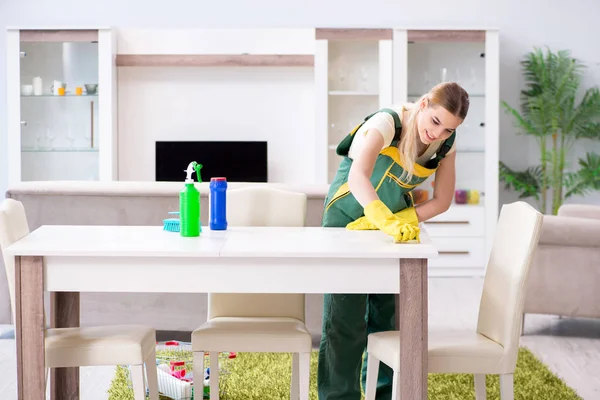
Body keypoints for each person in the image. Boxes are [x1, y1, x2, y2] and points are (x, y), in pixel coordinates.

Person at [318, 81, 470, 400]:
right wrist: (379, 216)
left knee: (385, 317)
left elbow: (442, 200)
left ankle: (382, 394)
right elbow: (358, 175)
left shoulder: (446, 143)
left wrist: (401, 220)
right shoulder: (387, 123)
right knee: (344, 317)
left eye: (448, 129)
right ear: (424, 103)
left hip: (392, 229)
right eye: (435, 122)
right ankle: (338, 396)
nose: (438, 134)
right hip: (346, 219)